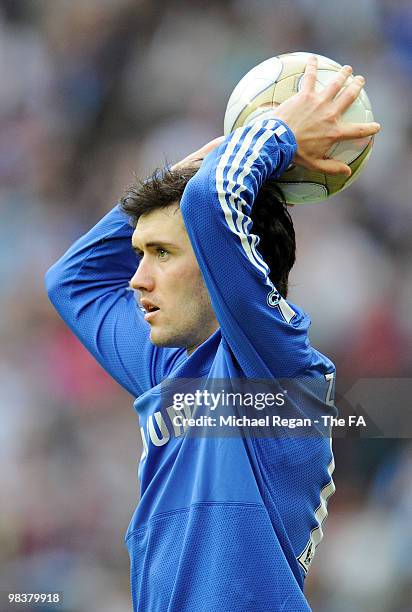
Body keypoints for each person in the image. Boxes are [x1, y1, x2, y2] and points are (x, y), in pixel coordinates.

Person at [45, 57, 380, 611]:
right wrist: (179, 173)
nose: (137, 279)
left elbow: (209, 202)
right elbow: (72, 281)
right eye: (138, 252)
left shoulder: (278, 369)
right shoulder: (172, 370)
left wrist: (276, 134)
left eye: (161, 253)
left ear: (221, 261)